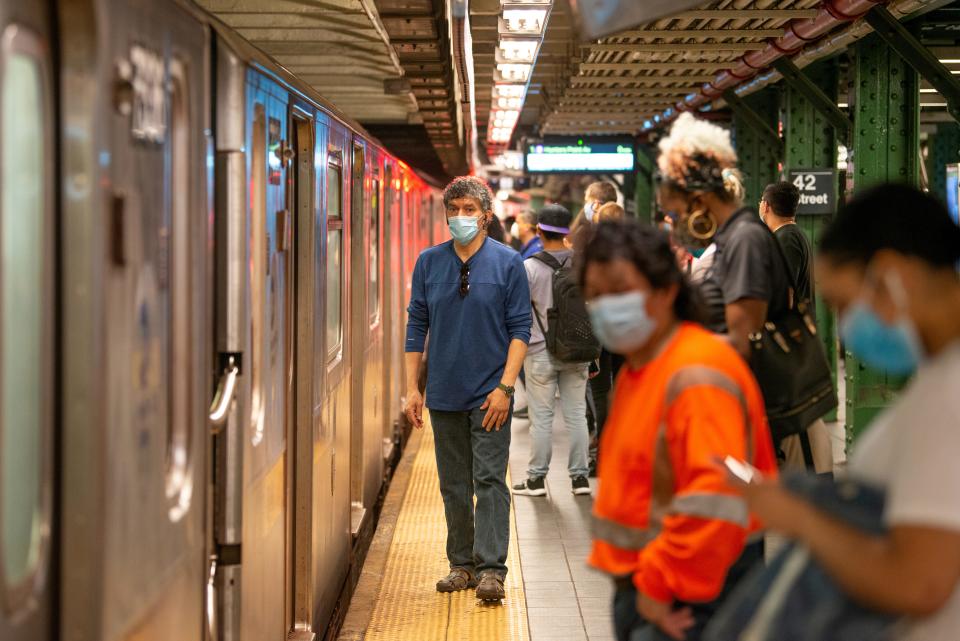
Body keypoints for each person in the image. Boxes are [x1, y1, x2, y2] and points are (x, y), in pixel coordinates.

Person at [736, 183, 960, 641]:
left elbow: (918, 582)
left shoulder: (948, 397)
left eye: (842, 303)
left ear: (892, 275)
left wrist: (796, 516)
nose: (843, 324)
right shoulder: (938, 380)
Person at [580, 220, 778, 641]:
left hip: (693, 591)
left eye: (619, 291)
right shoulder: (645, 366)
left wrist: (657, 584)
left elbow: (718, 496)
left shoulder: (696, 374)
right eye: (594, 295)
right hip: (659, 580)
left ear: (666, 291)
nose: (604, 306)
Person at [656, 112, 832, 475]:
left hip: (770, 418)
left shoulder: (745, 240)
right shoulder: (737, 235)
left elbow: (744, 337)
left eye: (681, 202)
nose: (678, 214)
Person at [404, 176, 532, 602]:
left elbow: (520, 329)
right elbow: (416, 326)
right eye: (453, 209)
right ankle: (462, 564)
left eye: (469, 210)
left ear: (486, 216)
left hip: (489, 395)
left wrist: (505, 387)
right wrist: (412, 388)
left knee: (490, 481)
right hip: (443, 393)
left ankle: (492, 569)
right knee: (453, 484)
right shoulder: (428, 262)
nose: (460, 217)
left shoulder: (508, 263)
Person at [512, 204, 592, 498]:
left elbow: (517, 313)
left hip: (539, 352)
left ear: (539, 232)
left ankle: (536, 481)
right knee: (576, 415)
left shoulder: (528, 267)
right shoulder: (582, 265)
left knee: (541, 419)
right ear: (567, 232)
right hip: (577, 350)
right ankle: (580, 478)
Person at [760, 180, 812, 304]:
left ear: (766, 206)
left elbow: (786, 293)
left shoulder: (786, 238)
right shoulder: (792, 234)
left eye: (761, 201)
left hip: (788, 323)